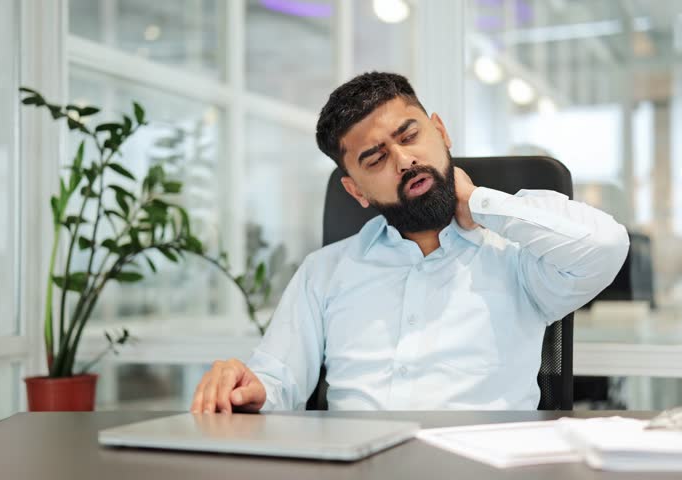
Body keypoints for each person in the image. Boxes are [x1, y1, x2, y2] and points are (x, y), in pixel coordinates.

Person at [191, 72, 629, 413]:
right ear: (356, 190)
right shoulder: (325, 271)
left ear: (440, 130)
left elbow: (606, 247)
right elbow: (278, 381)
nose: (404, 160)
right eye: (376, 157)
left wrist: (476, 202)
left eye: (409, 135)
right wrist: (248, 387)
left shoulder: (517, 256)